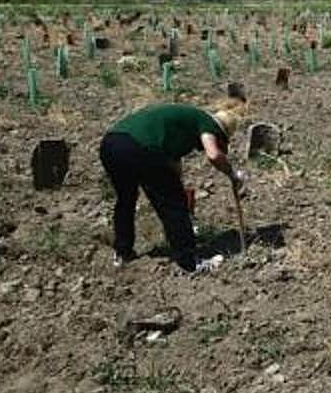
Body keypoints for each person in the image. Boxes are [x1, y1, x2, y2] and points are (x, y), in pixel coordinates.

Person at [99, 99, 247, 273]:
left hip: (111, 144)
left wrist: (178, 192)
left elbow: (172, 166)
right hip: (141, 149)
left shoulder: (182, 123)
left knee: (126, 199)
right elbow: (214, 155)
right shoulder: (207, 123)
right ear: (221, 133)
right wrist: (232, 174)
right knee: (172, 205)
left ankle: (122, 253)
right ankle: (190, 262)